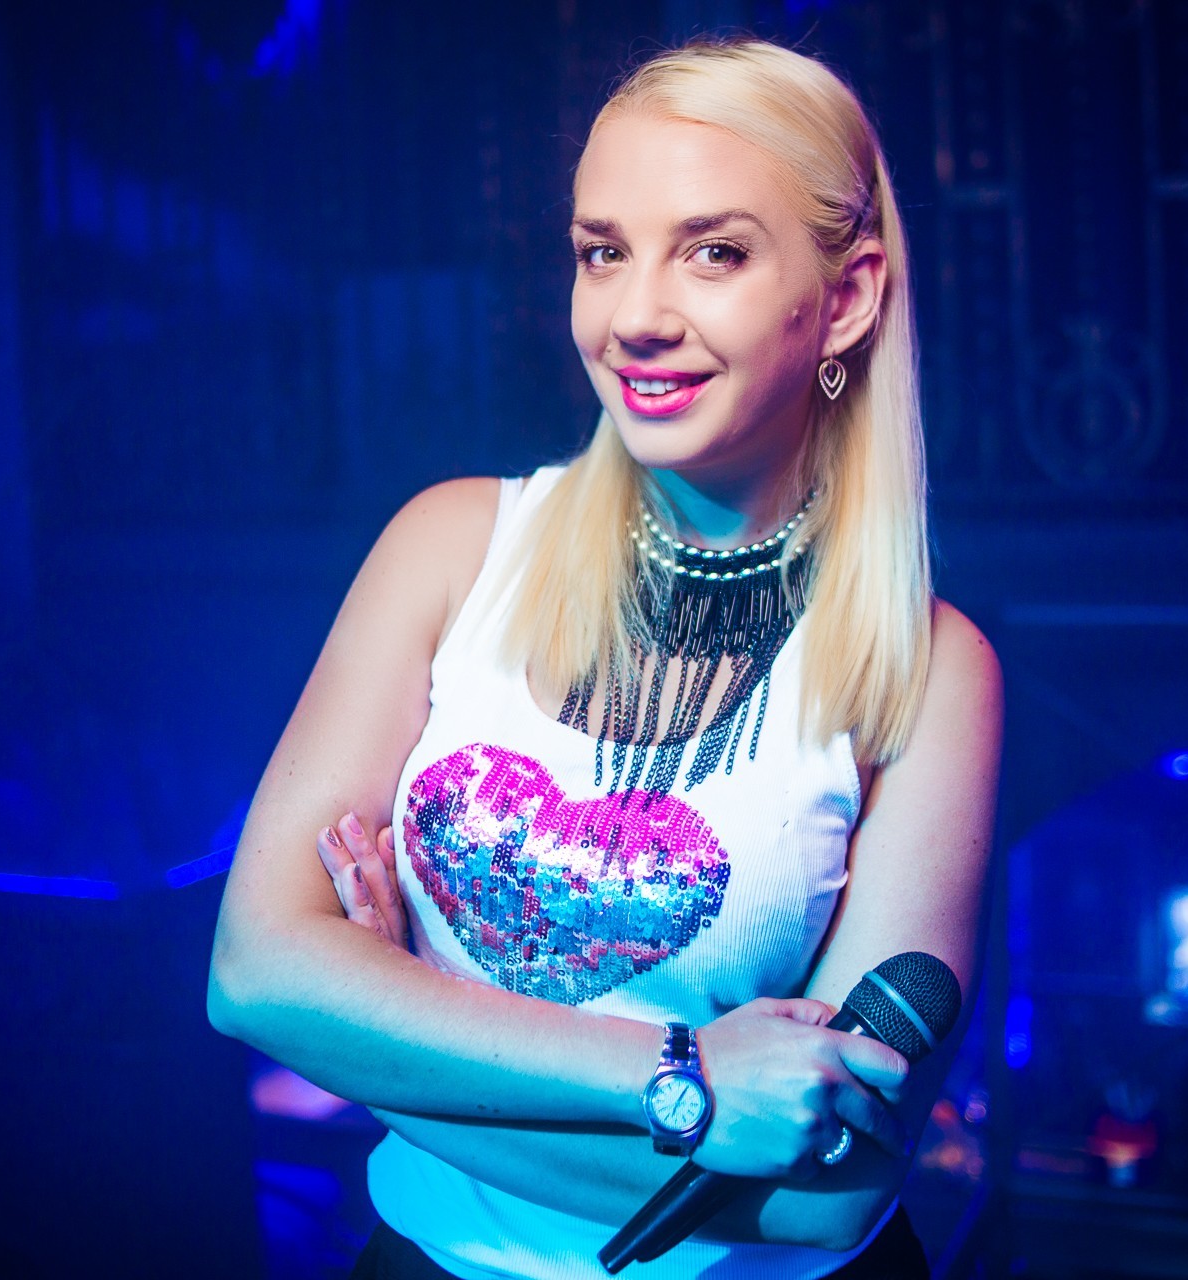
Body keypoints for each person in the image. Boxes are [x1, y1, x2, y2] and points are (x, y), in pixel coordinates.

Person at [209, 36, 1002, 1280]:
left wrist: (385, 1036)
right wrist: (682, 1080)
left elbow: (825, 1201)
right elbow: (254, 972)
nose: (635, 316)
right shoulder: (450, 546)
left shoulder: (931, 669)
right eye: (602, 252)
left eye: (714, 252)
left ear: (846, 298)